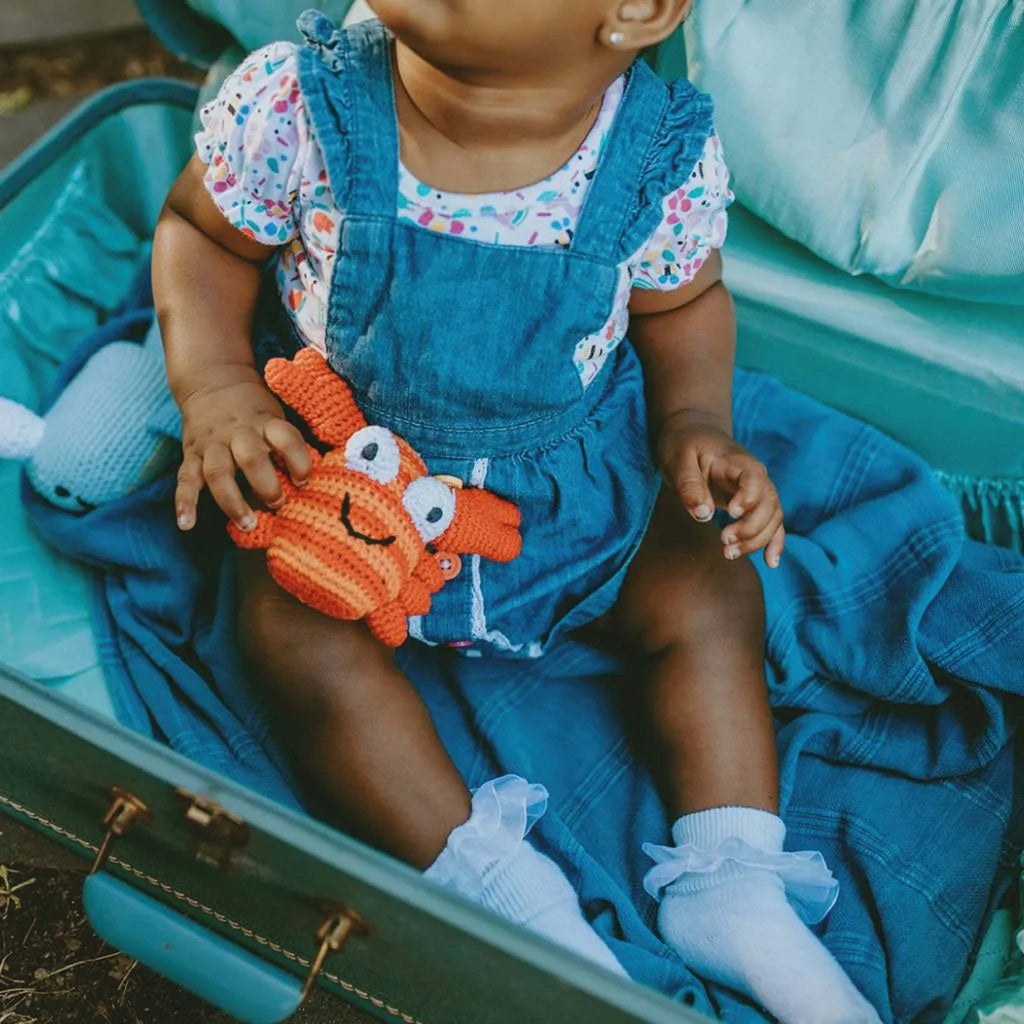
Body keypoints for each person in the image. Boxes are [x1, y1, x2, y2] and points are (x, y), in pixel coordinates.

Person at [152, 2, 879, 1020]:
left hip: (577, 492)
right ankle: (497, 887)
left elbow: (681, 303)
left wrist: (692, 427)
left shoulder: (657, 153)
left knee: (710, 576)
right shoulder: (301, 102)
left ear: (633, 11)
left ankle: (733, 879)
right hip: (360, 490)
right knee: (282, 622)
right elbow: (198, 232)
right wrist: (218, 388)